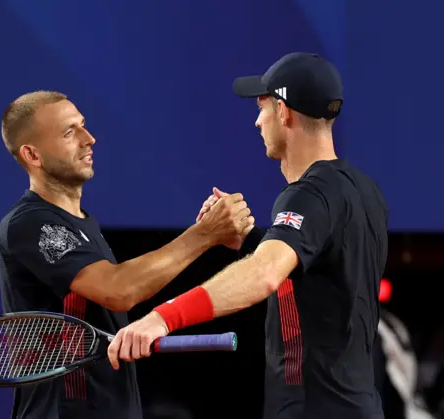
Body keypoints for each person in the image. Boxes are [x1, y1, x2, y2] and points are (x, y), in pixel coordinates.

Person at [107, 52, 389, 419]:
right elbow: (316, 271)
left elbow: (265, 273)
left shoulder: (308, 193)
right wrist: (247, 239)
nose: (257, 122)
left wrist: (160, 318)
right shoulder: (365, 192)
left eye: (263, 108)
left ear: (284, 112)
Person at [0, 90, 254, 419]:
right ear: (32, 155)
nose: (89, 139)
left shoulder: (81, 224)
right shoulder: (30, 223)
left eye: (83, 126)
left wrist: (207, 234)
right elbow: (119, 290)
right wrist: (204, 234)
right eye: (69, 132)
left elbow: (130, 285)